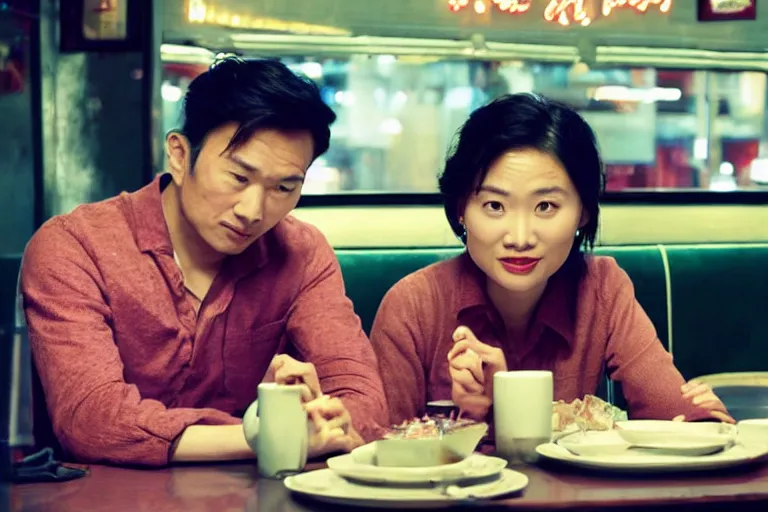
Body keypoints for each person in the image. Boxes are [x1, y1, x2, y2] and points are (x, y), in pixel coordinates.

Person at [20, 57, 387, 466]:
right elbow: (92, 421)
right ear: (179, 154)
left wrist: (327, 418)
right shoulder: (75, 247)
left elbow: (365, 405)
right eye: (238, 177)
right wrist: (267, 432)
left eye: (284, 187)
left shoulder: (302, 253)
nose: (253, 210)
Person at [370, 93, 731, 426]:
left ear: (584, 212)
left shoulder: (602, 287)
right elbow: (381, 451)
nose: (520, 238)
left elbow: (677, 418)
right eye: (494, 206)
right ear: (462, 209)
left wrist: (702, 422)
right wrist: (474, 415)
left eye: (546, 206)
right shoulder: (414, 305)